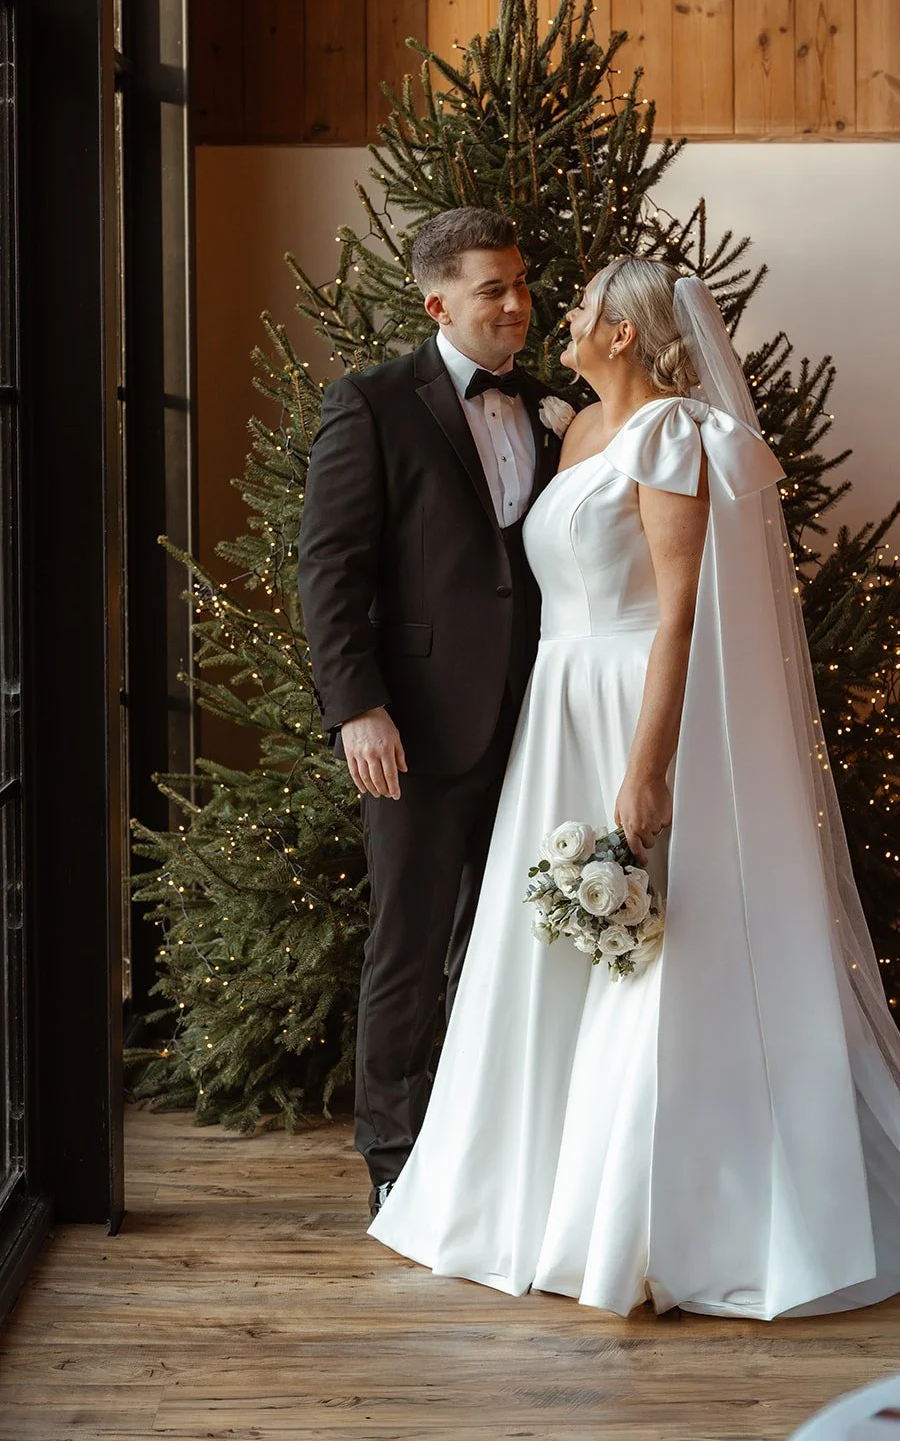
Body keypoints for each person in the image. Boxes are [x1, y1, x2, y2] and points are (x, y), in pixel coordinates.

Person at [367, 256, 900, 1319]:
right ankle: (528, 1186)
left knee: (655, 950)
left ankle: (654, 1211)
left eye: (585, 307)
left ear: (625, 334)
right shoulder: (576, 430)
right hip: (561, 705)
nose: (564, 316)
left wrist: (647, 769)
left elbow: (680, 610)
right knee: (551, 952)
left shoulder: (673, 436)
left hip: (633, 705)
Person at [298, 208, 566, 1219]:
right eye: (492, 288)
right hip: (410, 724)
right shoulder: (369, 404)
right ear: (436, 301)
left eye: (522, 284)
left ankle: (489, 1143)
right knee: (408, 938)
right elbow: (329, 569)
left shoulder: (551, 405)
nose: (515, 304)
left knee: (504, 936)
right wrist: (357, 707)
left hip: (538, 720)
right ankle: (395, 1161)